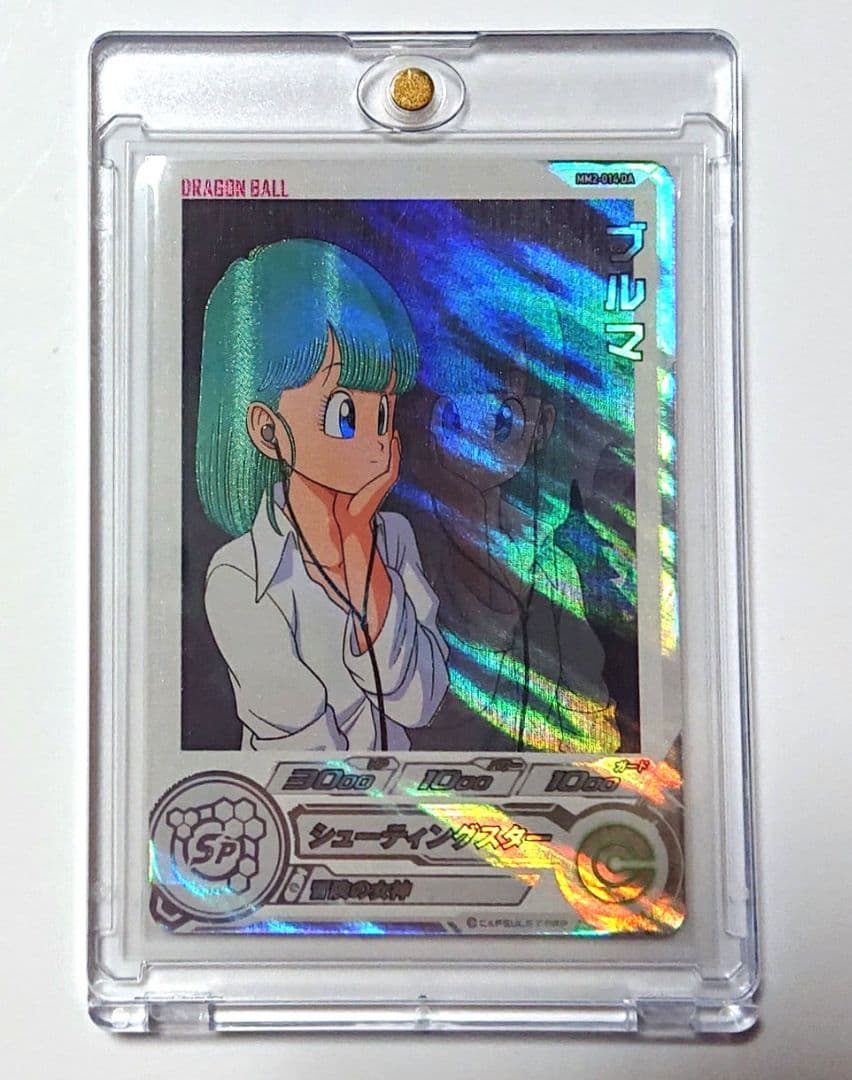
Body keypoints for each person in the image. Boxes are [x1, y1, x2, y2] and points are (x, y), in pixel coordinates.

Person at [195, 238, 449, 751]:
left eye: (384, 412)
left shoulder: (392, 539)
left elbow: (421, 702)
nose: (376, 440)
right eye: (344, 415)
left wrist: (359, 544)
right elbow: (302, 750)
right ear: (268, 430)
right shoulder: (240, 576)